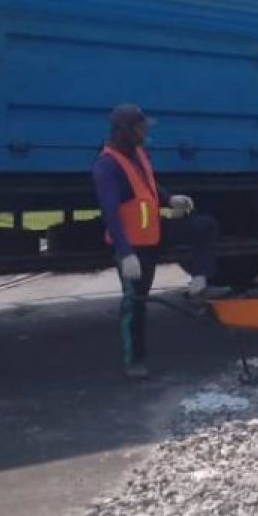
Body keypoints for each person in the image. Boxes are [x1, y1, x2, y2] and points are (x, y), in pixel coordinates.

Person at [92, 103, 218, 379]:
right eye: (140, 127)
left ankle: (200, 279)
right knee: (135, 303)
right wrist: (125, 254)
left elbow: (149, 187)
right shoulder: (107, 165)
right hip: (134, 247)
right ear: (125, 131)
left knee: (204, 226)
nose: (145, 131)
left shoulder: (137, 154)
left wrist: (169, 198)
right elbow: (110, 212)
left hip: (155, 234)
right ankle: (135, 361)